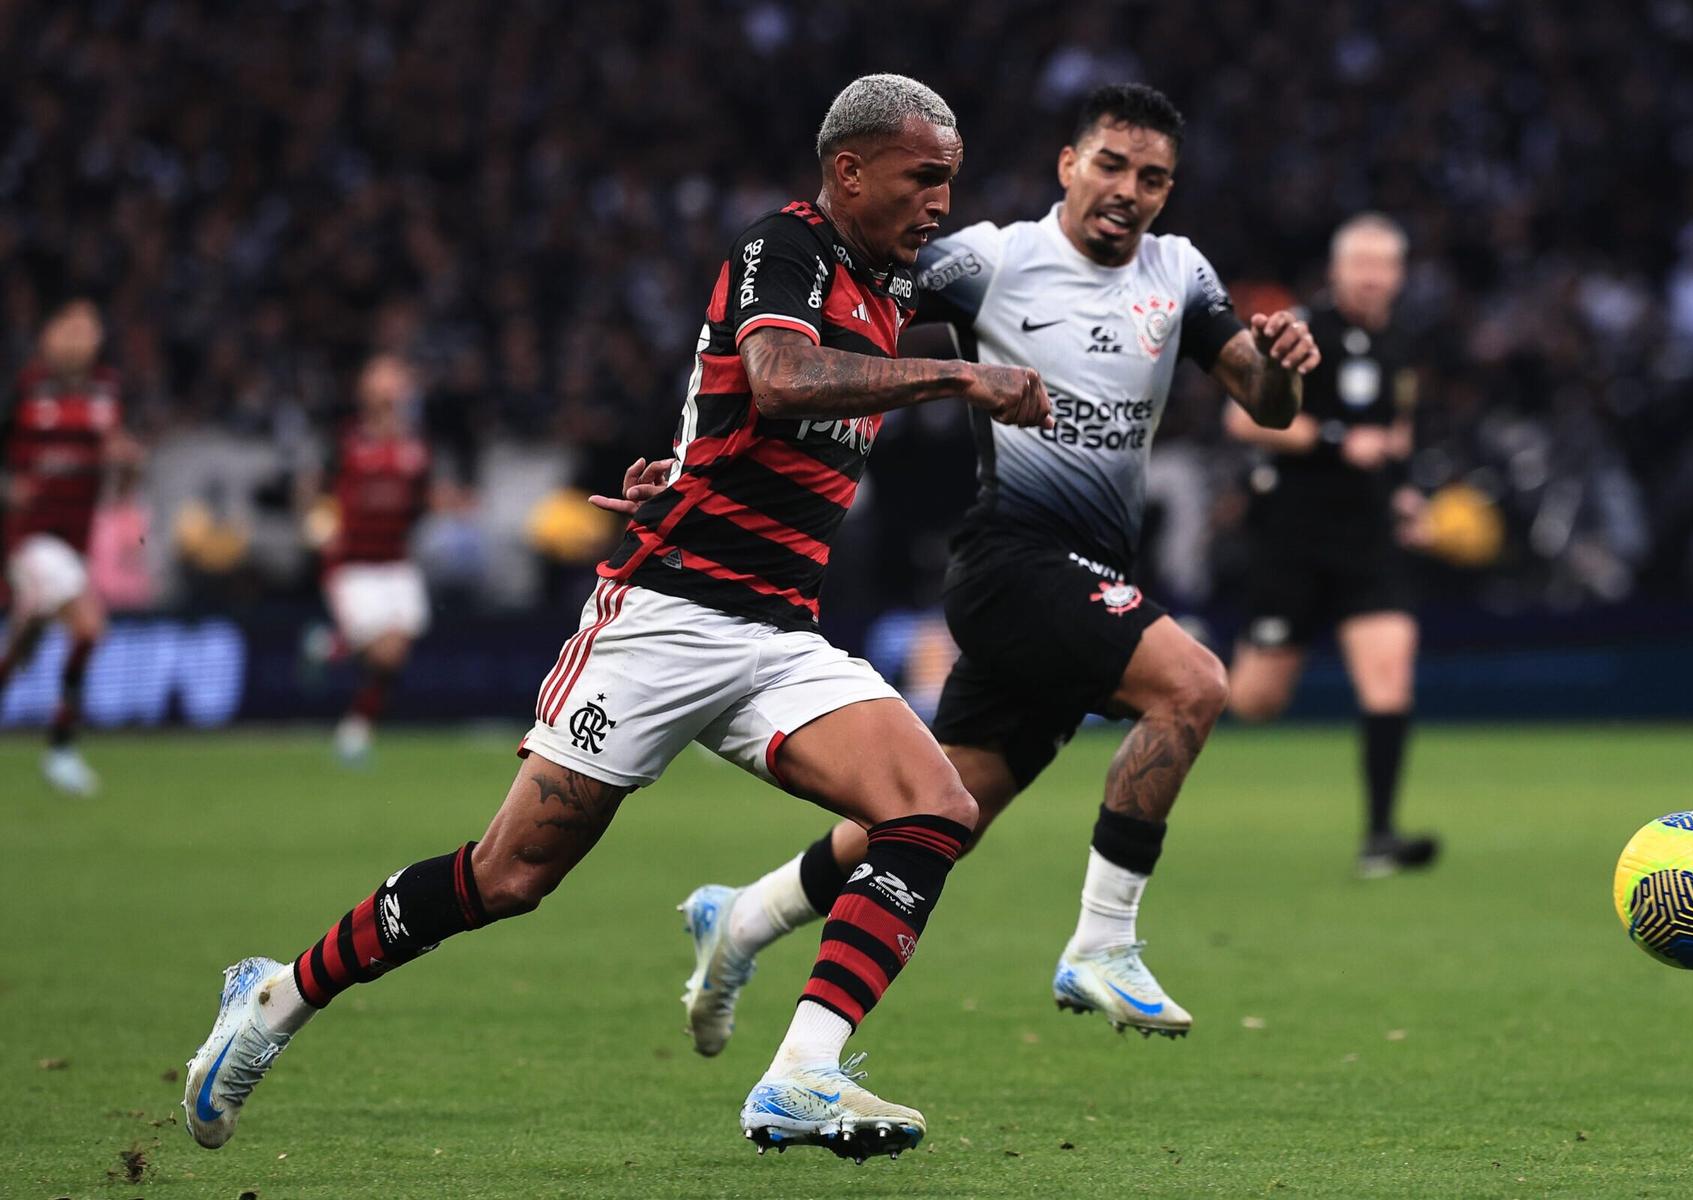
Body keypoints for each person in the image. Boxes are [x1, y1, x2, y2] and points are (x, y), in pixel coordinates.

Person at [181, 74, 1051, 1164]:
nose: (939, 202)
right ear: (848, 169)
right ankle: (275, 999)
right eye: (925, 178)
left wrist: (684, 465)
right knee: (509, 877)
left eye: (950, 183)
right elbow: (776, 377)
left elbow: (727, 404)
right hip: (665, 618)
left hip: (776, 635)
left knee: (934, 805)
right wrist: (955, 380)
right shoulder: (783, 251)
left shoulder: (887, 284)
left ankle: (800, 1076)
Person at [663, 84, 1317, 1054]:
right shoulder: (992, 259)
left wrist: (1285, 364)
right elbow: (837, 316)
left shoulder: (1178, 275)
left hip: (1086, 570)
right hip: (1011, 558)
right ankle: (1103, 943)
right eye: (1111, 166)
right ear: (1068, 164)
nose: (1129, 191)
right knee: (1194, 686)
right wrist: (702, 451)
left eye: (1153, 178)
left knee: (943, 813)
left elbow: (1263, 402)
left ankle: (743, 916)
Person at [1222, 213, 1438, 878]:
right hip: (1292, 537)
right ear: (1337, 271)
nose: (1373, 277)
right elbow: (1241, 417)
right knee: (1254, 701)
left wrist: (1406, 495)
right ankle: (1160, 675)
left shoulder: (1401, 344)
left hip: (1367, 540)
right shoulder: (1299, 330)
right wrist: (1340, 442)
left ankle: (1380, 837)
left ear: (1399, 276)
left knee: (1390, 674)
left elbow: (1392, 437)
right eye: (1361, 264)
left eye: (1385, 265)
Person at [0, 300, 136, 796]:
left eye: (87, 330)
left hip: (73, 543)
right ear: (47, 335)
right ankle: (61, 748)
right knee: (88, 627)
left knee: (24, 644)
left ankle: (59, 746)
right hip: (28, 539)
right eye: (69, 328)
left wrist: (128, 463)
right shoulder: (21, 391)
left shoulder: (108, 393)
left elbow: (121, 477)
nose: (78, 339)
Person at [311, 354, 443, 763]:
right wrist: (317, 522)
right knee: (385, 652)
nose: (390, 385)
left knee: (395, 655)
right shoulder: (346, 440)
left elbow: (421, 502)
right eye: (382, 376)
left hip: (396, 562)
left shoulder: (415, 447)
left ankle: (354, 721)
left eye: (397, 377)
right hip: (354, 564)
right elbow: (316, 489)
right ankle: (335, 649)